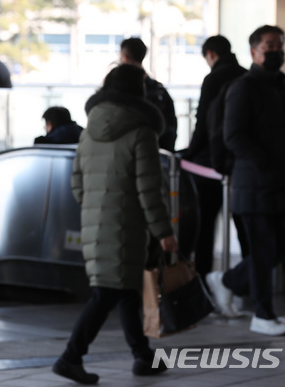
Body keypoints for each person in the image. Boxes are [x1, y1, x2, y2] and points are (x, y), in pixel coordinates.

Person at [53, 64, 178, 384]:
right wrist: (163, 231)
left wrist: (98, 207)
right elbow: (149, 189)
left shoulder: (89, 130)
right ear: (139, 93)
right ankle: (70, 357)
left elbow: (77, 183)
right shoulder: (142, 131)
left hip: (97, 222)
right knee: (107, 293)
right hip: (127, 226)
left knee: (125, 290)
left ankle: (142, 355)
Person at [206, 25, 285, 336]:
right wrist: (265, 163)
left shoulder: (281, 85)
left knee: (276, 251)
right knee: (262, 251)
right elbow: (233, 135)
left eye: (279, 45)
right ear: (254, 51)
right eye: (269, 46)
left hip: (282, 182)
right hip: (255, 182)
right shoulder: (243, 87)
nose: (276, 51)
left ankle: (226, 281)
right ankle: (263, 314)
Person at [182, 35, 248, 280]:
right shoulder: (245, 75)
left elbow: (203, 123)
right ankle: (248, 279)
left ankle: (203, 276)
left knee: (205, 223)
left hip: (212, 160)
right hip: (242, 160)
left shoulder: (213, 79)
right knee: (244, 222)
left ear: (210, 54)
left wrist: (189, 155)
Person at [119, 37, 177, 151]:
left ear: (125, 57)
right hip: (158, 153)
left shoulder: (119, 92)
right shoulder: (159, 90)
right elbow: (171, 126)